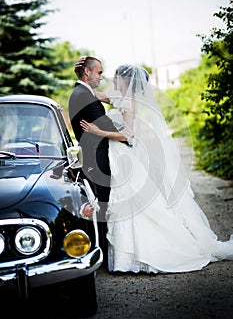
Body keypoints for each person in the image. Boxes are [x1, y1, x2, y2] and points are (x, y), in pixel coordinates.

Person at [80, 63, 233, 274]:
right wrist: (82, 77)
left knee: (134, 206)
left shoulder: (130, 102)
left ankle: (139, 257)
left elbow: (129, 136)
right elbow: (95, 94)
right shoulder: (121, 99)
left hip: (124, 156)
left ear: (125, 80)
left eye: (116, 77)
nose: (113, 80)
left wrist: (99, 132)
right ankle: (126, 258)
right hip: (118, 157)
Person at [68, 56, 128, 268]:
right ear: (87, 72)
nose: (102, 77)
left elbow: (101, 97)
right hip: (97, 158)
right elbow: (112, 128)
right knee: (101, 205)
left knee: (102, 204)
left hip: (97, 155)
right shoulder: (85, 96)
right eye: (99, 72)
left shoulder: (82, 92)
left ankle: (101, 250)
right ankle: (100, 254)